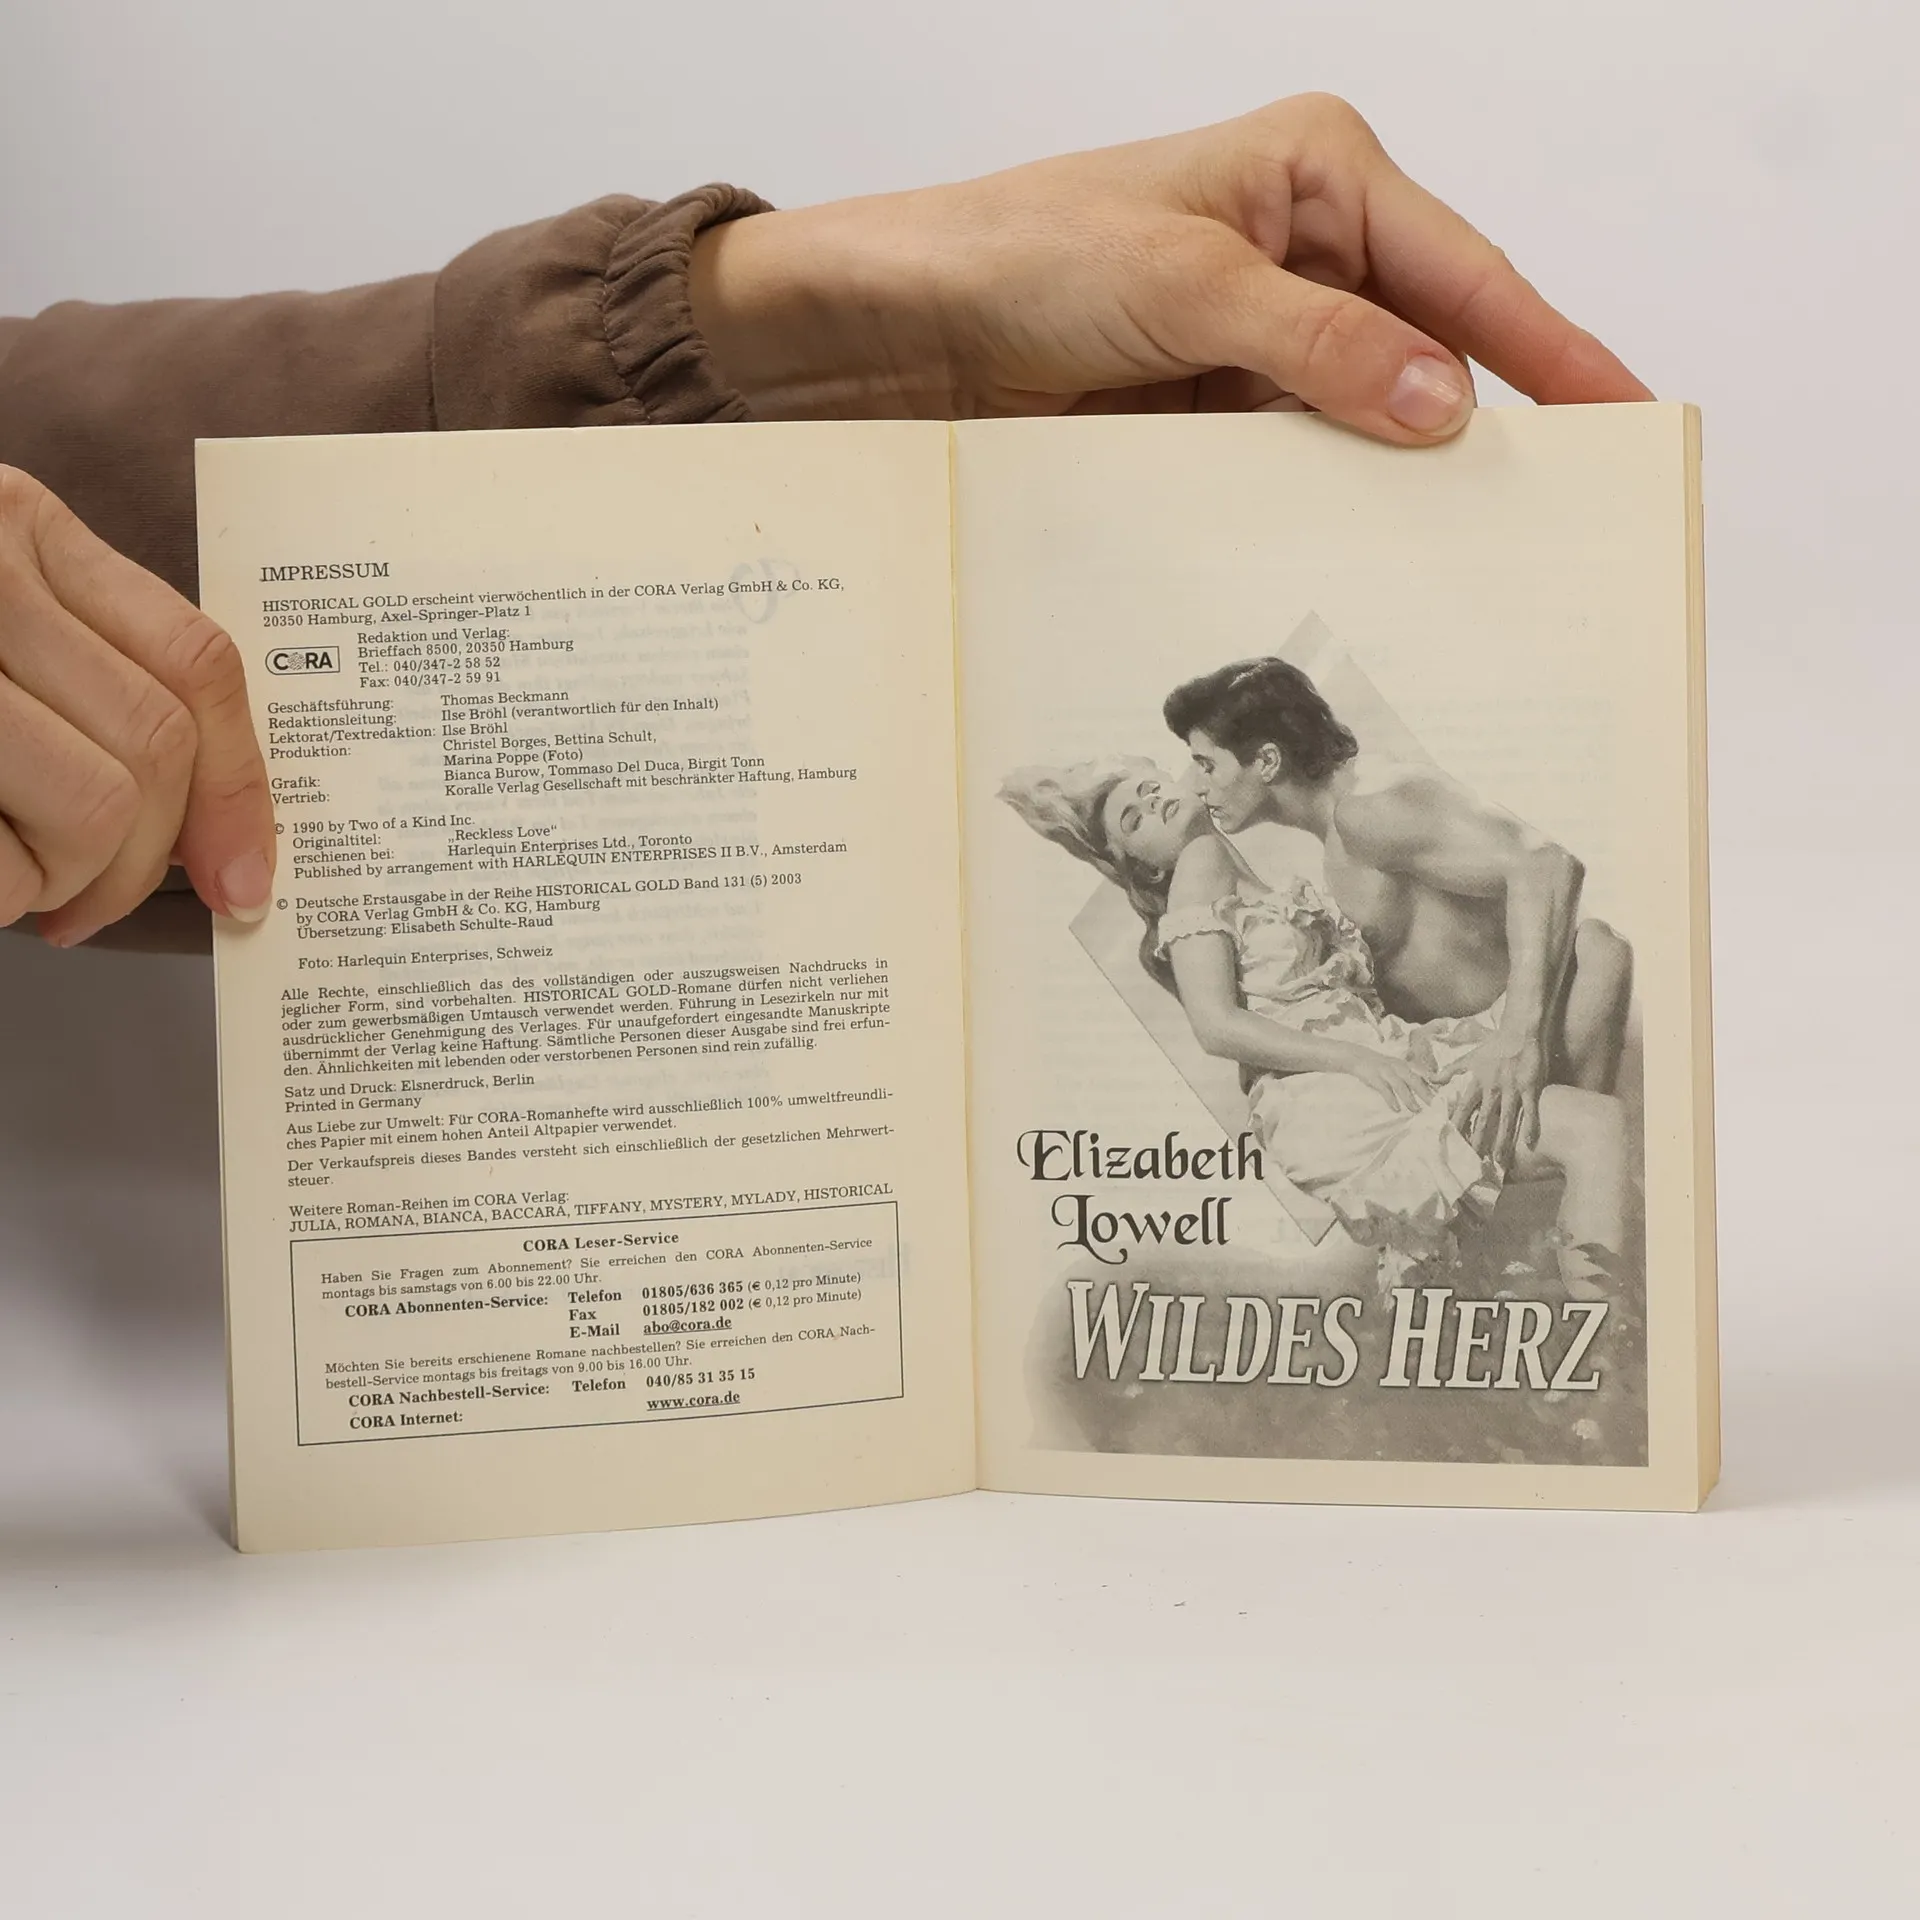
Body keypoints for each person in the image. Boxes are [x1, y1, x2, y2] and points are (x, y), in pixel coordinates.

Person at [0, 93, 1650, 952]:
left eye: (1186, 777)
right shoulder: (1249, 873)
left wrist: (788, 342)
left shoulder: (1355, 827)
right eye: (1161, 790)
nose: (1181, 795)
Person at [999, 756, 1629, 1291]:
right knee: (1594, 1127)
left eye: (1147, 788)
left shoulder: (1235, 871)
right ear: (1143, 866)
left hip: (1377, 1063)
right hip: (1336, 1097)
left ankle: (1558, 1247)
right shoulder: (1198, 871)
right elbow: (1215, 1027)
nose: (1151, 804)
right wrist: (1359, 1060)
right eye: (1133, 821)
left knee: (1597, 958)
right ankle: (1602, 1347)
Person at [1164, 655, 1633, 1172]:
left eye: (1207, 765)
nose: (1198, 787)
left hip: (1520, 1052)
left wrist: (1518, 1039)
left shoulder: (1366, 808)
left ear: (1267, 761)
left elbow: (1547, 866)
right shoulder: (1337, 837)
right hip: (1471, 1062)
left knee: (1598, 955)